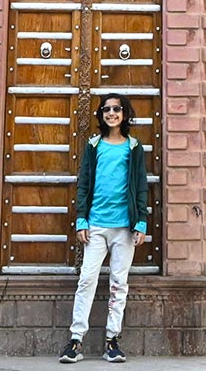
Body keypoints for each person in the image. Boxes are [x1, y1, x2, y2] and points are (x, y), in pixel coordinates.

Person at [60, 92, 149, 363]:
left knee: (118, 284)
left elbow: (142, 186)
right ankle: (75, 341)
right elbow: (84, 182)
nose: (112, 113)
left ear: (125, 114)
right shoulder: (94, 145)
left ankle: (112, 341)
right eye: (107, 109)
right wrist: (82, 219)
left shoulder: (134, 148)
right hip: (96, 225)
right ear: (101, 114)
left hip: (124, 227)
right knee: (86, 280)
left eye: (117, 109)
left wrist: (141, 222)